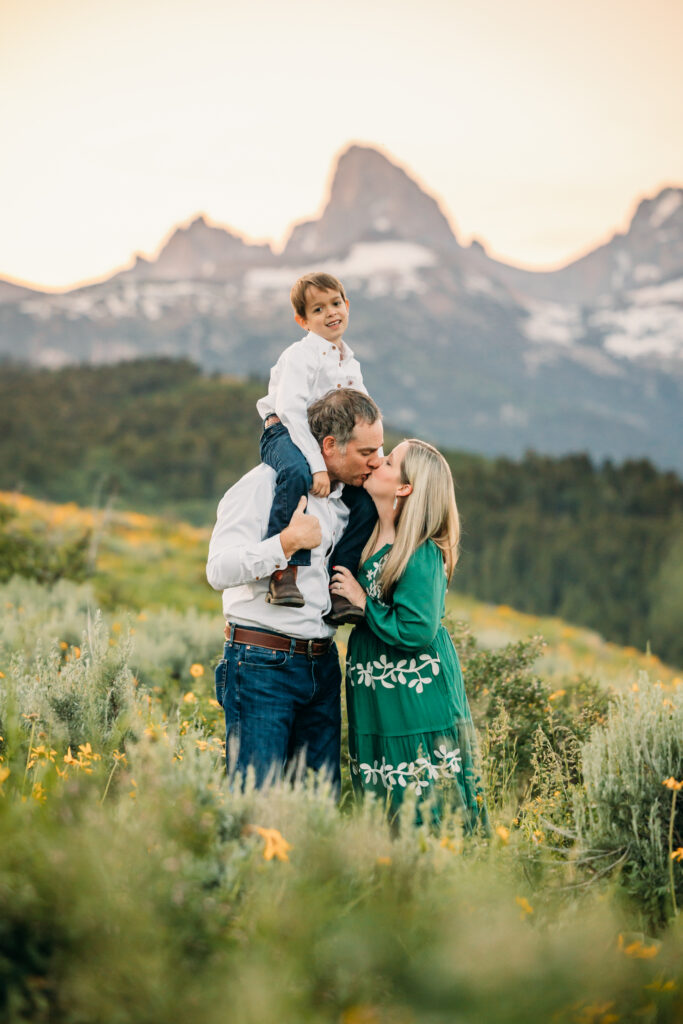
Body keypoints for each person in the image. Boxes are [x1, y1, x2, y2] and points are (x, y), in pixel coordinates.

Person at [207, 388, 383, 791]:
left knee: (317, 807)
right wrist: (284, 544)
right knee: (256, 800)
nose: (376, 461)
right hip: (261, 664)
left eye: (380, 450)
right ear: (329, 445)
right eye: (366, 452)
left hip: (322, 666)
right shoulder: (262, 485)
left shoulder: (345, 501)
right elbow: (217, 569)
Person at [330, 439, 488, 829]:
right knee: (386, 798)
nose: (374, 464)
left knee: (426, 797)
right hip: (378, 693)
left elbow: (417, 629)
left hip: (415, 696)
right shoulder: (367, 537)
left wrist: (363, 603)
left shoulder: (420, 550)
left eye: (387, 462)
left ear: (404, 488)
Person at [256, 271, 378, 621]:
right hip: (285, 432)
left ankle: (339, 584)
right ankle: (283, 573)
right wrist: (317, 465)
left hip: (328, 443)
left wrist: (377, 463)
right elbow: (291, 411)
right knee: (294, 475)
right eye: (318, 309)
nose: (331, 313)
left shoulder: (349, 363)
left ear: (347, 304)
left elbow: (366, 417)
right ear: (303, 320)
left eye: (336, 303)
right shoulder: (300, 355)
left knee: (366, 500)